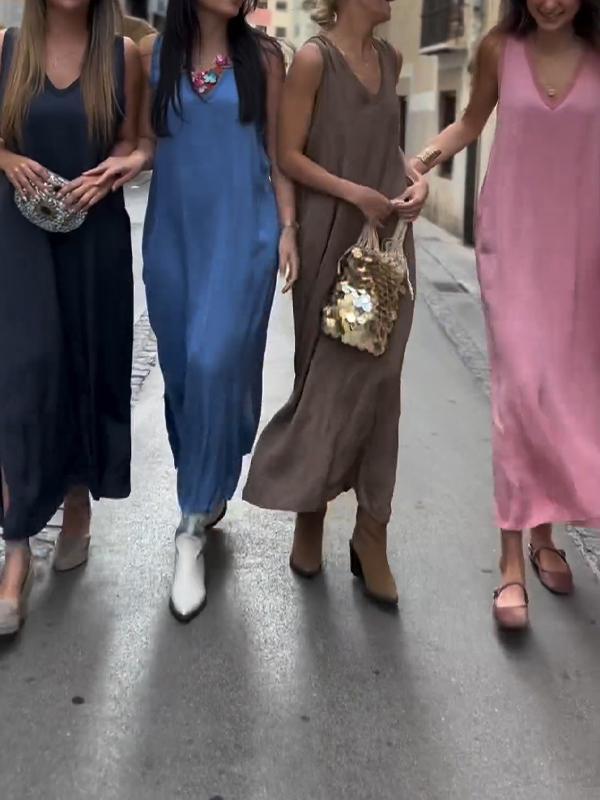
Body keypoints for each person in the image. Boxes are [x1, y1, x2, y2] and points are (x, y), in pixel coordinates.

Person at [90, 0, 298, 621]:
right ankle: (206, 484)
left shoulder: (265, 58)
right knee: (183, 375)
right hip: (174, 238)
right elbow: (149, 143)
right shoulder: (153, 57)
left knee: (213, 364)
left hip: (245, 235)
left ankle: (189, 528)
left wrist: (289, 228)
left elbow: (278, 152)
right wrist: (131, 159)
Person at [410, 0, 600, 629]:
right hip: (514, 246)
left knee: (562, 396)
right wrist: (420, 162)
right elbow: (470, 123)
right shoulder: (499, 50)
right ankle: (511, 561)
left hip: (584, 257)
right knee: (519, 394)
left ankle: (546, 535)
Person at [242, 0, 429, 608]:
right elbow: (288, 154)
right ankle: (310, 512)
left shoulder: (390, 58)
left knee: (381, 386)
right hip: (331, 240)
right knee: (322, 380)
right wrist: (355, 193)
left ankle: (372, 533)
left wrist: (414, 182)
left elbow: (387, 149)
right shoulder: (313, 59)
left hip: (384, 249)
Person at [0, 0, 140, 635]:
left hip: (94, 236)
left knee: (88, 366)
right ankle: (17, 549)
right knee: (21, 380)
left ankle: (78, 501)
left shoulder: (122, 55)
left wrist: (124, 164)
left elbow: (137, 141)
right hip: (17, 237)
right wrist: (6, 159)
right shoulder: (7, 48)